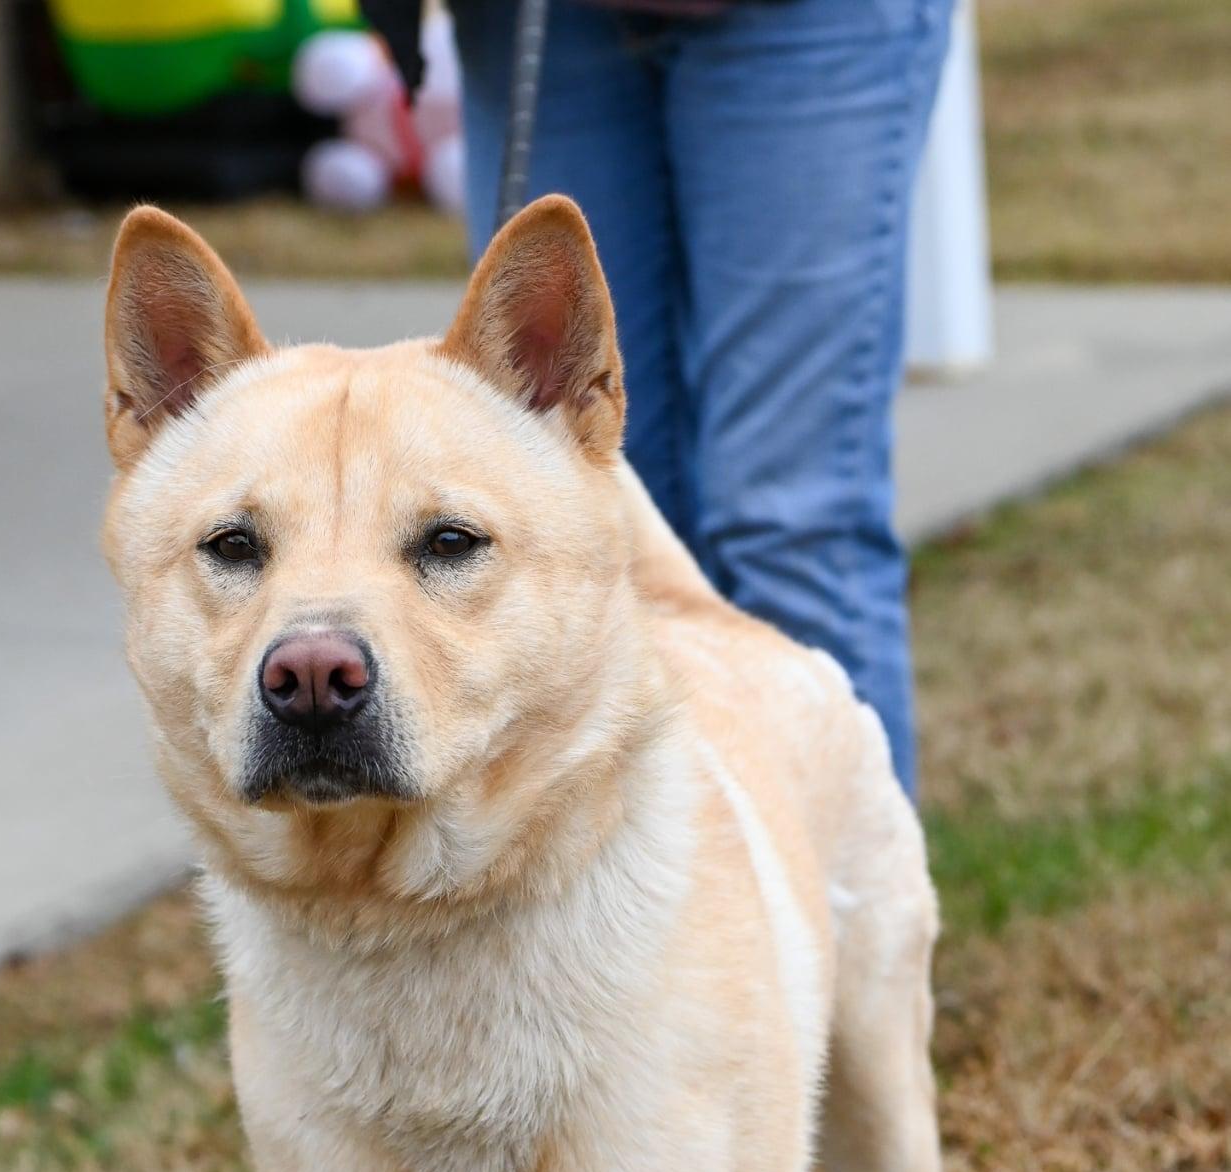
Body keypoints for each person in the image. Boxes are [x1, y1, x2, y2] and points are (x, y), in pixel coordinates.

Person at [360, 0, 954, 795]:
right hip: (541, 23)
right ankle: (658, 908)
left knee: (791, 520)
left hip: (807, 21)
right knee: (590, 512)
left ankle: (841, 907)